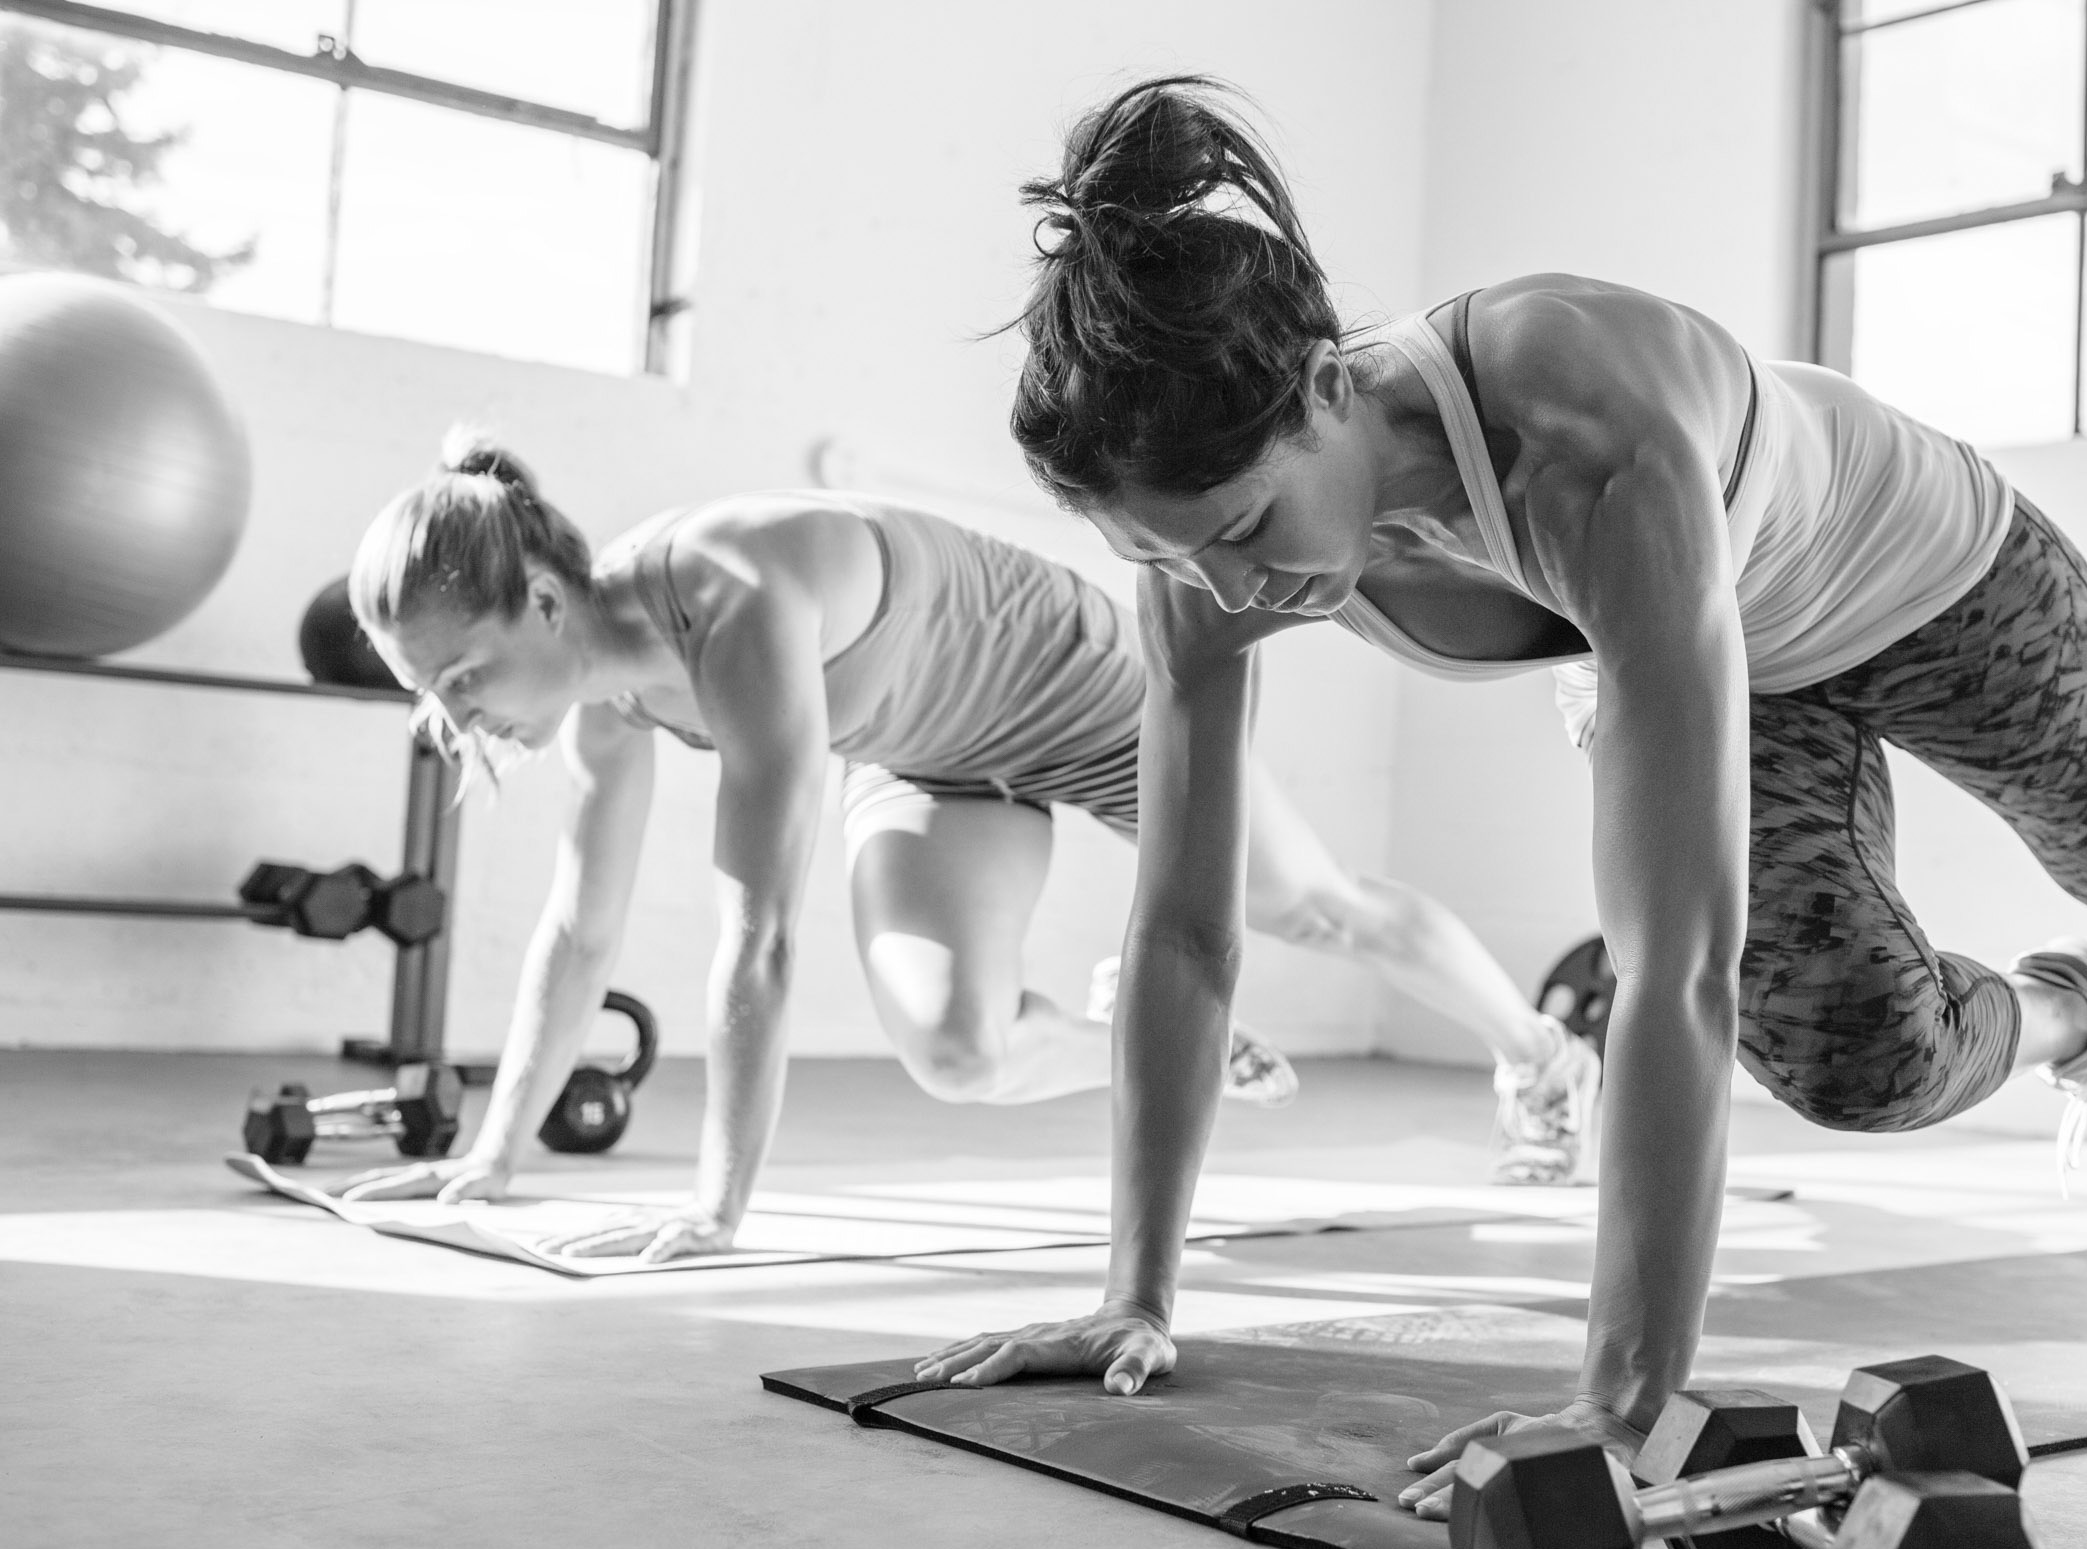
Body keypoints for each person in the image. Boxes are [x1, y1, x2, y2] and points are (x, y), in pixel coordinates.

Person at [914, 78, 2087, 1517]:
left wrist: (1620, 1393)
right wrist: (1137, 1290)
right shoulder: (1205, 581)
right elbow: (1185, 932)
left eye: (1246, 526)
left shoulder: (1579, 424)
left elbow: (1672, 966)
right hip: (1702, 650)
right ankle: (2082, 1020)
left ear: (1326, 385)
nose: (1223, 588)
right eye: (1168, 556)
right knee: (1856, 1056)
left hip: (1926, 577)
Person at [330, 436, 1605, 1252]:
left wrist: (716, 1210)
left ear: (543, 602)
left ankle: (1544, 1060)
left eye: (461, 677)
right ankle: (1172, 1039)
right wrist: (492, 1157)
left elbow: (758, 937)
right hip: (931, 756)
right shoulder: (596, 704)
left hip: (1084, 690)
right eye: (429, 696)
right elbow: (578, 926)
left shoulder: (729, 591)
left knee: (1313, 905)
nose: (454, 720)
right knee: (954, 1050)